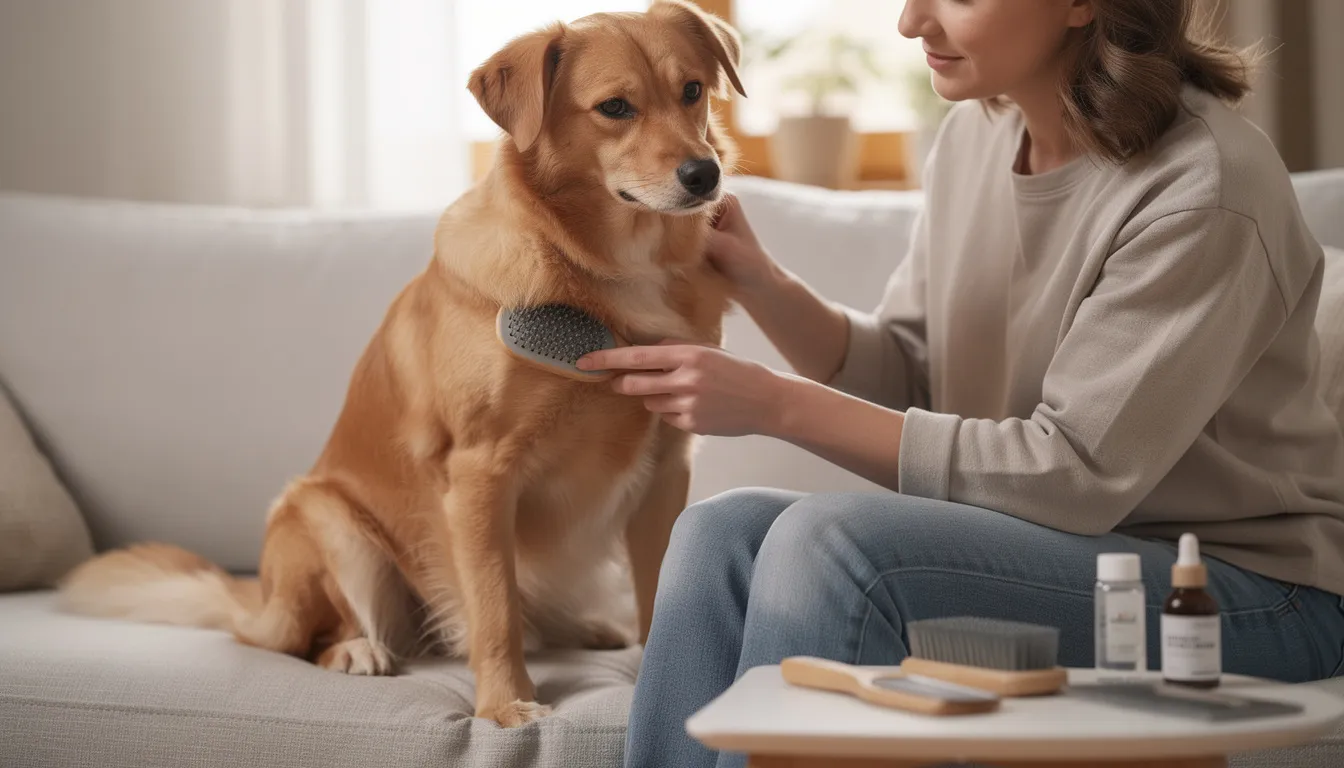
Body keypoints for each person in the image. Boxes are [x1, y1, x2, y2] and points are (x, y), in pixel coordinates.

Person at [575, 1, 1344, 766]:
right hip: (1063, 557)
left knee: (832, 548)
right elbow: (916, 371)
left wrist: (775, 403)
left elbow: (1073, 474)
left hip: (1243, 594)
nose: (913, 23)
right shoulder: (978, 132)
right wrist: (762, 283)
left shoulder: (1203, 186)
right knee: (720, 536)